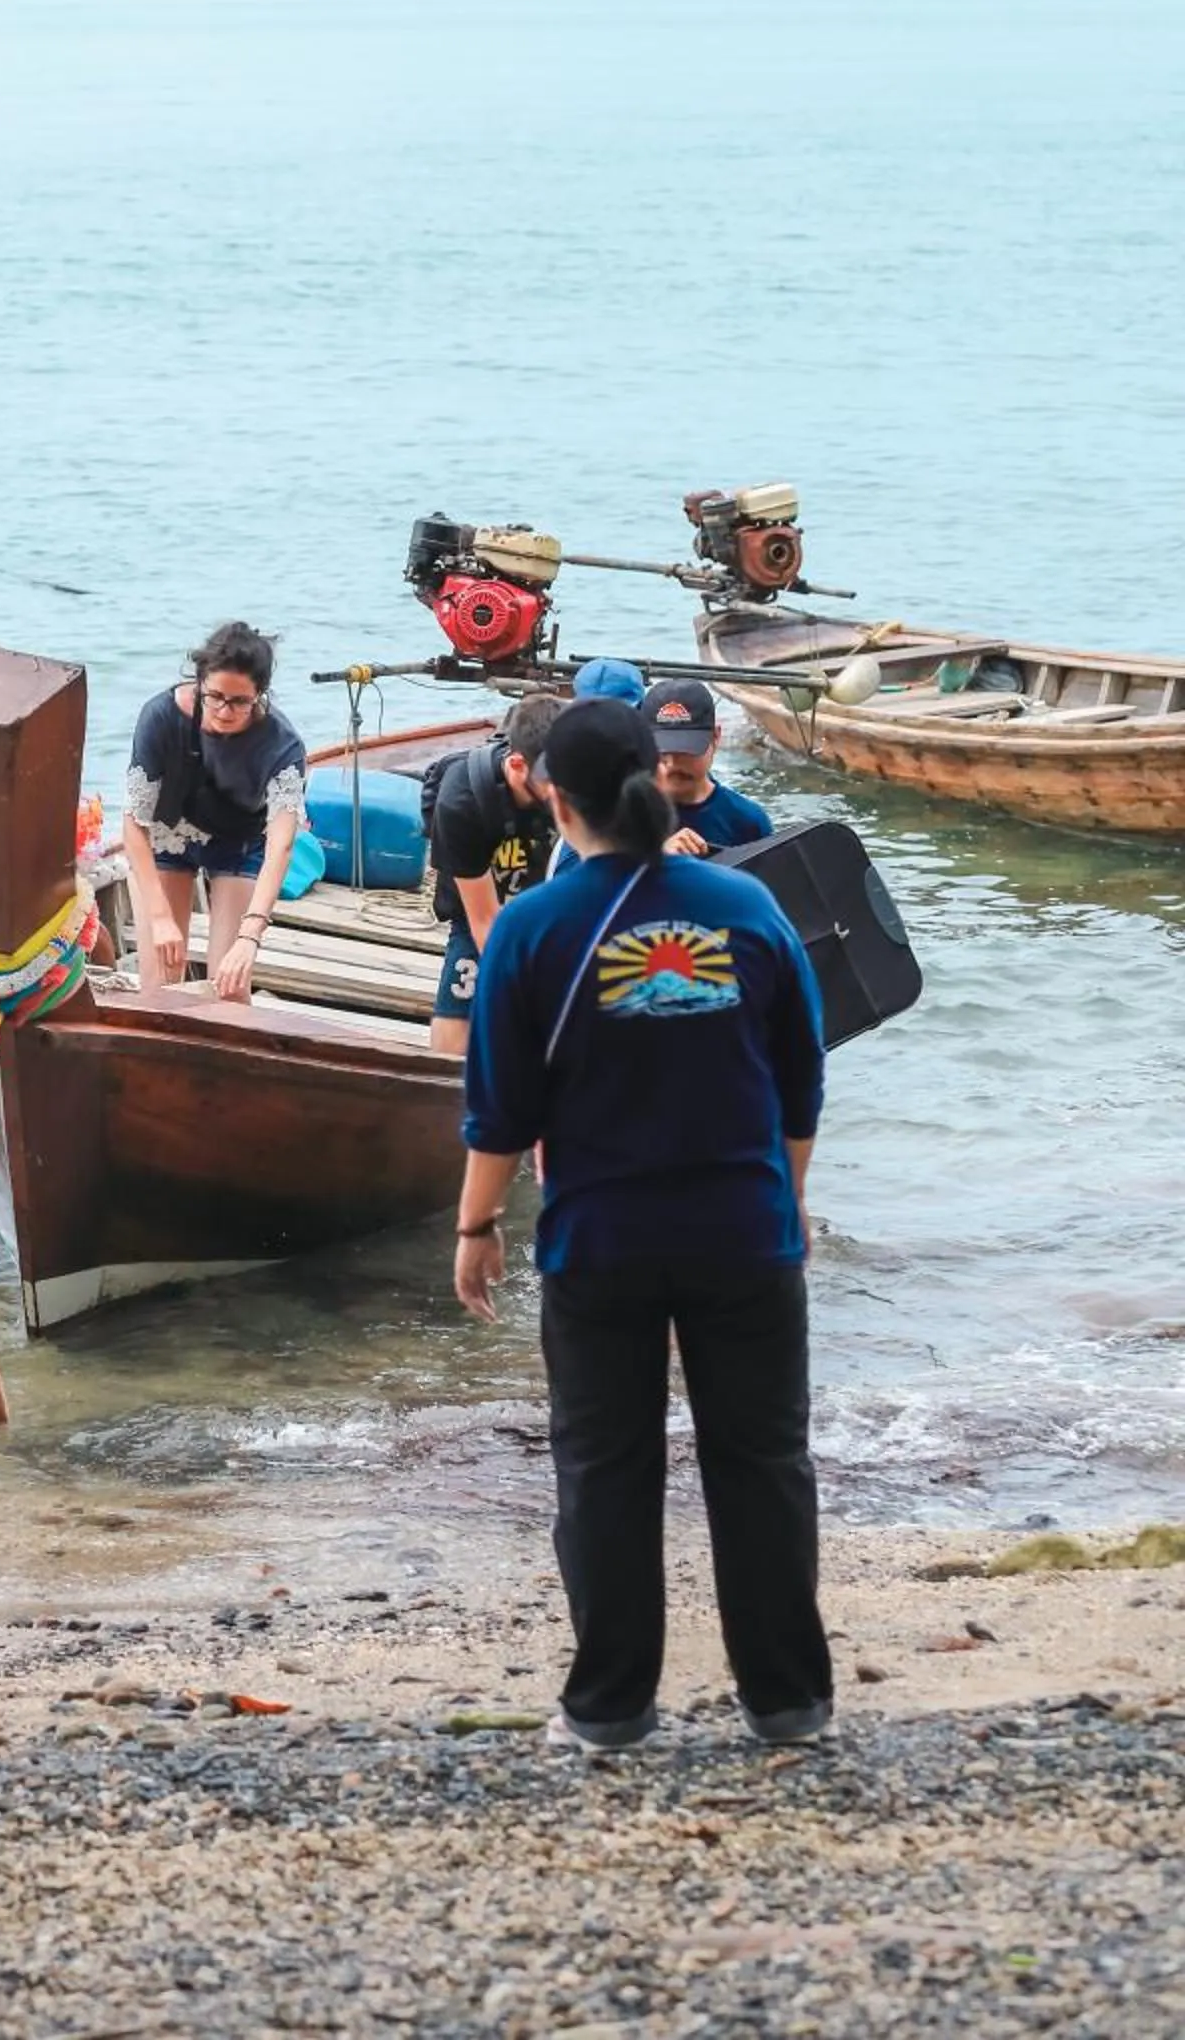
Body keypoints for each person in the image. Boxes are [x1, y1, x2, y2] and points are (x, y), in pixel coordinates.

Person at [454, 695, 831, 1755]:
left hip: (599, 1242)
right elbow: (800, 1080)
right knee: (759, 1464)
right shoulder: (745, 909)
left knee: (606, 1470)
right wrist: (783, 1197)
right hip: (743, 1233)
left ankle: (612, 1706)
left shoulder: (530, 926)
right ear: (654, 778)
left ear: (553, 797)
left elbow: (498, 1105)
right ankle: (786, 1701)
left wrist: (473, 1229)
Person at [123, 623, 308, 1003]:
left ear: (260, 694)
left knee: (230, 987)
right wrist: (160, 918)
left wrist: (250, 936)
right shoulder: (160, 717)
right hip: (166, 834)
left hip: (238, 841)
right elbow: (133, 824)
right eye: (215, 697)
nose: (225, 711)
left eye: (240, 701)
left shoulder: (282, 743)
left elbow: (281, 845)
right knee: (160, 983)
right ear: (199, 683)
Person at [424, 691, 564, 1059]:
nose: (566, 799)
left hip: (551, 896)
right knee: (460, 1016)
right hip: (483, 902)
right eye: (554, 788)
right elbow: (485, 923)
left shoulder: (571, 782)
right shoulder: (462, 801)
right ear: (518, 766)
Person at [643, 676, 773, 853]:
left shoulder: (747, 822)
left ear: (716, 737)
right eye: (662, 751)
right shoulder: (621, 818)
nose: (672, 763)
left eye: (685, 750)